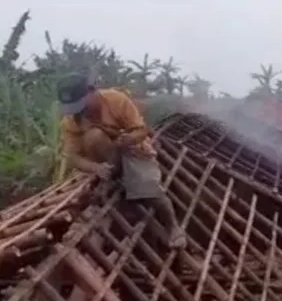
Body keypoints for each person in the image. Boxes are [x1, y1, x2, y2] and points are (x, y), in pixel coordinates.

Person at [58, 76, 186, 248]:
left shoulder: (116, 100)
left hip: (131, 150)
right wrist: (95, 167)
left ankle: (174, 227)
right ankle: (114, 176)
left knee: (148, 185)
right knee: (93, 137)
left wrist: (129, 139)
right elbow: (72, 156)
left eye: (82, 105)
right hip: (102, 157)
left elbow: (142, 131)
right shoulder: (70, 121)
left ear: (92, 91)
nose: (79, 112)